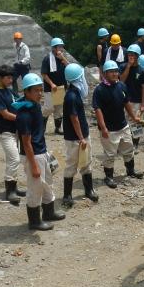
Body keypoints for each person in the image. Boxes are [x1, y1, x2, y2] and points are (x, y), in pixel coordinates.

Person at [15, 73, 65, 231]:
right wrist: (34, 165)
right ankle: (34, 221)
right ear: (26, 92)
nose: (40, 93)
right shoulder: (24, 114)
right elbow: (26, 142)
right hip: (33, 155)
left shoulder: (34, 105)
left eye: (41, 90)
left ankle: (49, 212)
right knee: (35, 188)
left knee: (47, 183)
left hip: (41, 151)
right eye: (36, 90)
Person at [93, 60, 143, 189]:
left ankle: (130, 171)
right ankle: (109, 177)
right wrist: (103, 128)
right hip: (109, 129)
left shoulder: (121, 86)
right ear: (105, 74)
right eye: (111, 72)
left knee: (128, 149)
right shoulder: (99, 90)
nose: (115, 74)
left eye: (116, 71)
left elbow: (127, 103)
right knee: (110, 154)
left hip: (123, 125)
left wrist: (133, 117)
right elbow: (97, 110)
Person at [61, 63, 98, 208]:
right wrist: (81, 138)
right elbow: (74, 118)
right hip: (75, 138)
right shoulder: (71, 96)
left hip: (81, 135)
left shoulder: (74, 93)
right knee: (72, 164)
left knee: (86, 162)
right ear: (79, 78)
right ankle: (67, 195)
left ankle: (89, 190)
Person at [0, 64, 26, 204]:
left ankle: (14, 188)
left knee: (13, 158)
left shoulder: (7, 90)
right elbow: (4, 114)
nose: (11, 80)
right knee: (14, 159)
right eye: (8, 78)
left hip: (13, 130)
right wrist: (21, 118)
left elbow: (18, 100)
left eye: (12, 77)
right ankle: (9, 190)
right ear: (0, 78)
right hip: (4, 131)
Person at [120, 47, 144, 153]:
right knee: (136, 124)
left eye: (133, 55)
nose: (130, 56)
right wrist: (128, 66)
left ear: (137, 56)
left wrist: (143, 104)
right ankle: (135, 145)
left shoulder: (142, 70)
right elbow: (121, 80)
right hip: (132, 100)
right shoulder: (123, 67)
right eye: (129, 55)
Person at [41, 37, 69, 134]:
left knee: (59, 108)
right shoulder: (47, 59)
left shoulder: (62, 58)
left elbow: (69, 68)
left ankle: (57, 128)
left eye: (62, 47)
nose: (61, 49)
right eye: (59, 47)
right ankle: (41, 126)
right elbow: (44, 74)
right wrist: (52, 83)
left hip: (61, 87)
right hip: (50, 88)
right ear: (53, 48)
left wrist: (63, 58)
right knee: (49, 107)